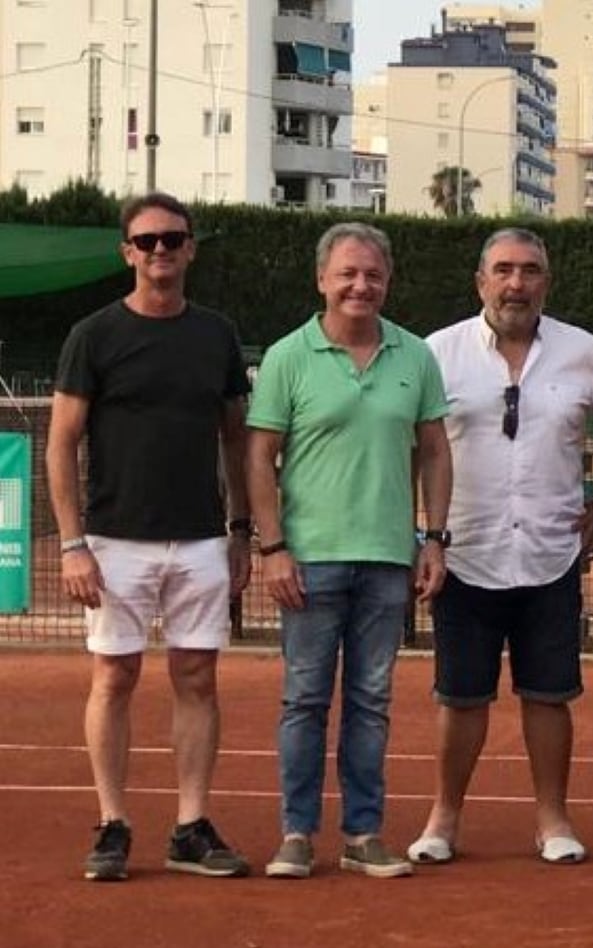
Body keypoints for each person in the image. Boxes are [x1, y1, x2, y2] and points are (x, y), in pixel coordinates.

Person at [406, 229, 593, 867]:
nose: (517, 284)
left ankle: (552, 819)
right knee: (460, 696)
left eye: (530, 271)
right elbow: (414, 447)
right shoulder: (436, 353)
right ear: (481, 281)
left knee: (549, 694)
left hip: (551, 554)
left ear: (547, 281)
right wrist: (419, 536)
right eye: (504, 270)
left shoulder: (584, 352)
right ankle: (443, 819)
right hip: (465, 554)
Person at [46, 192, 254, 882]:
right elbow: (61, 444)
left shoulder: (216, 335)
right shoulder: (94, 335)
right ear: (126, 252)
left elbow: (235, 438)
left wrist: (240, 531)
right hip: (115, 541)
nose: (159, 252)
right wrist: (74, 544)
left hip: (198, 540)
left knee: (197, 678)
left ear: (191, 248)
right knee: (115, 676)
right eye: (146, 241)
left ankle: (191, 825)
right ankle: (113, 822)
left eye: (172, 239)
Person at [247, 222, 452, 880]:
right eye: (348, 274)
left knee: (371, 701)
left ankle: (364, 834)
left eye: (373, 275)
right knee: (305, 699)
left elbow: (435, 450)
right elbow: (259, 456)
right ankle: (296, 833)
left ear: (387, 282)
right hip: (308, 559)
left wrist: (434, 538)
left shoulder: (415, 356)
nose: (360, 285)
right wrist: (273, 547)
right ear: (322, 280)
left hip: (389, 557)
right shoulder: (288, 356)